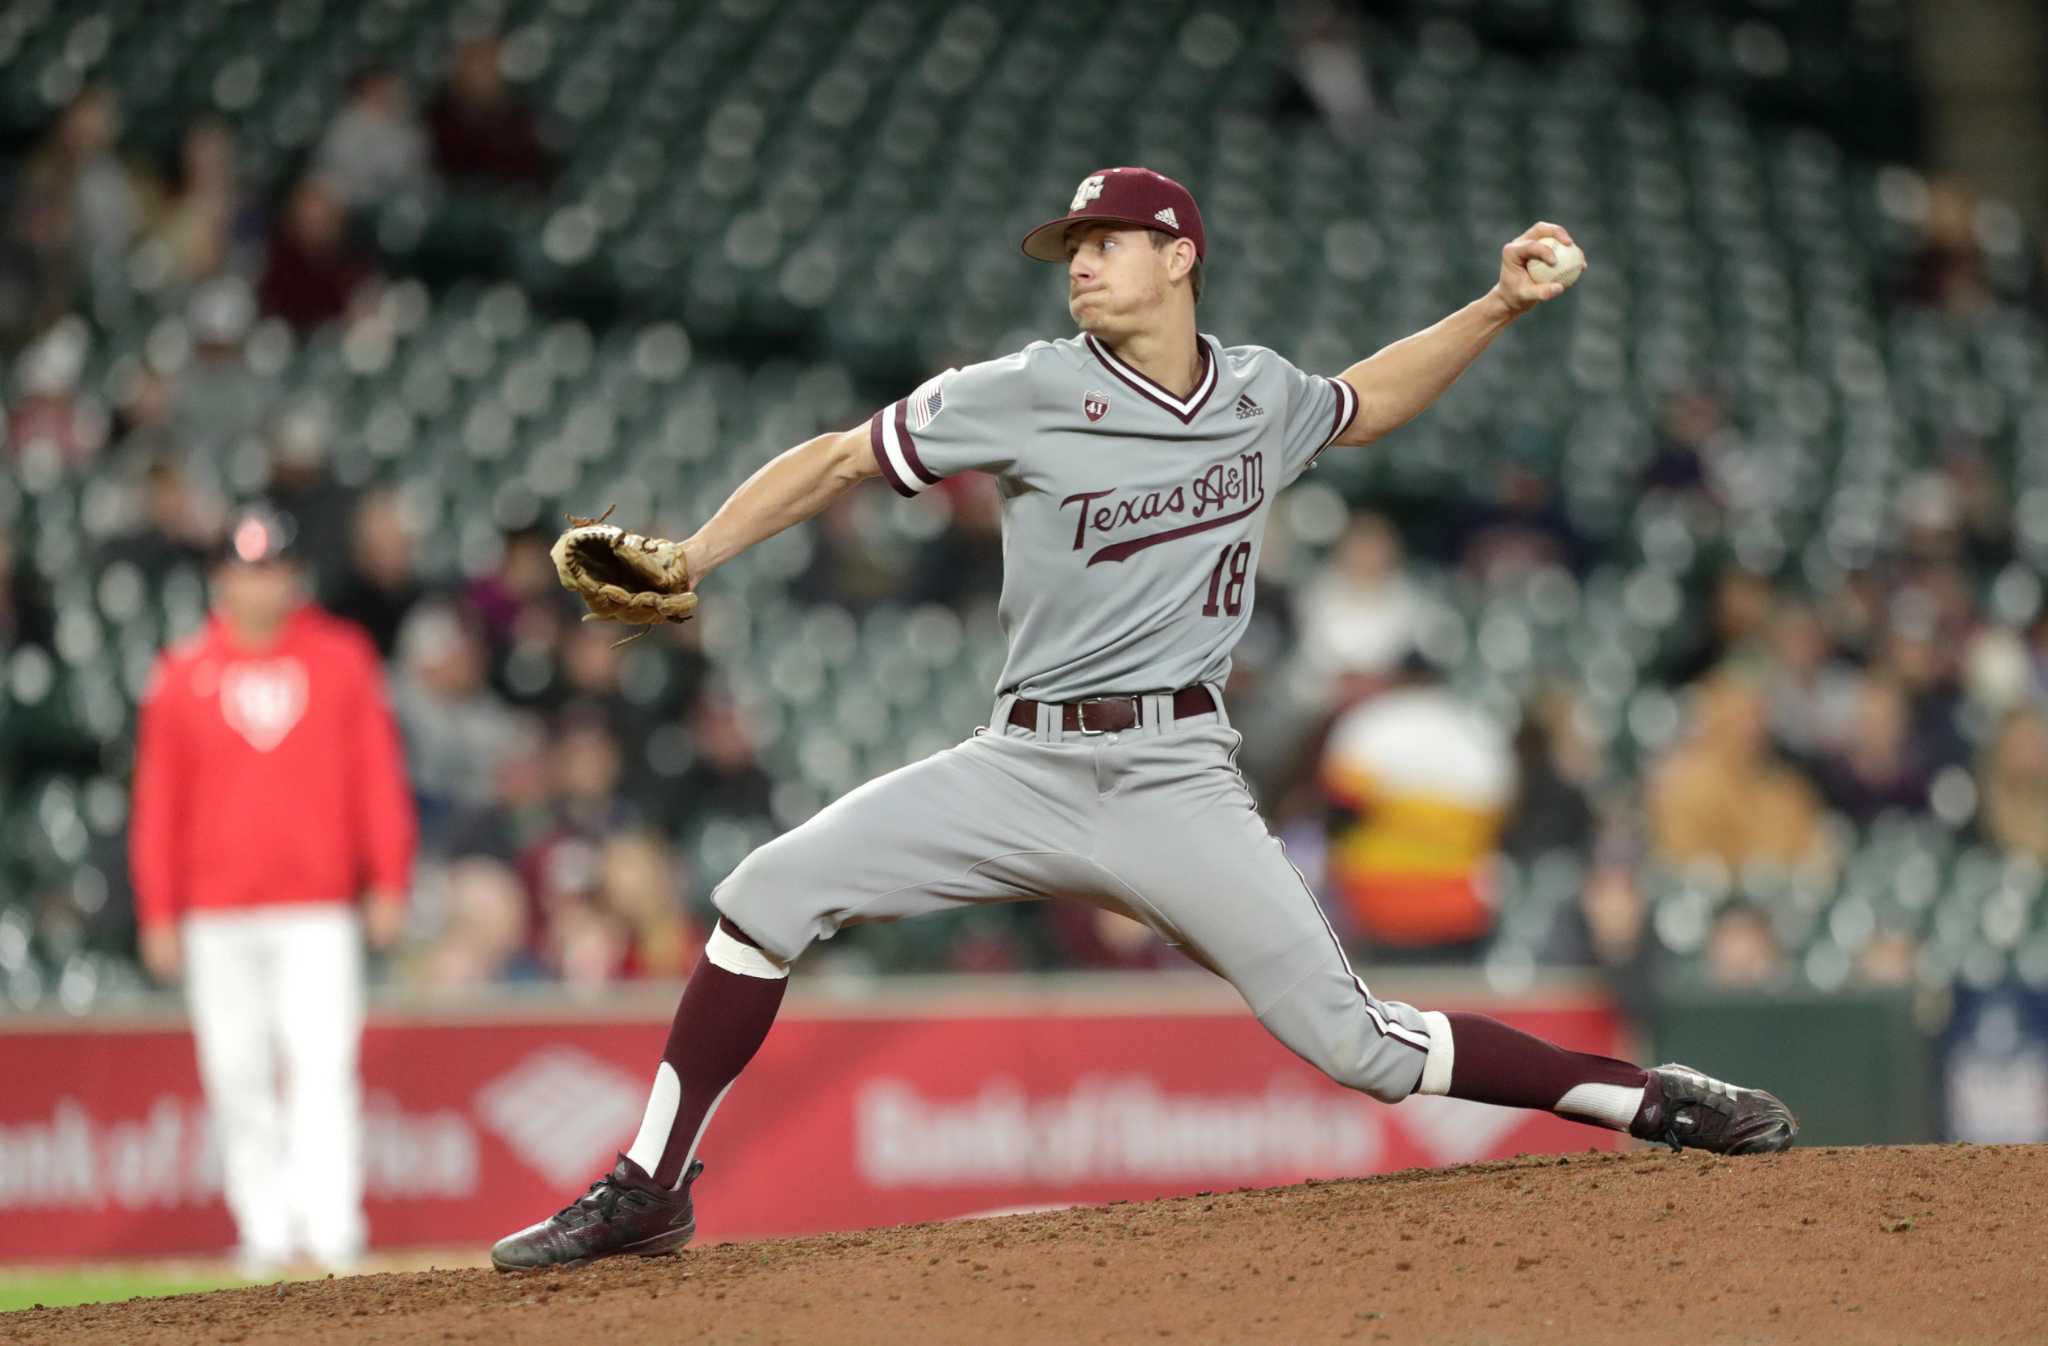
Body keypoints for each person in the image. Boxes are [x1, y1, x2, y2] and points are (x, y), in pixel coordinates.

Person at [489, 168, 1796, 1272]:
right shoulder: (1027, 386)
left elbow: (1368, 399)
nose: (1081, 266)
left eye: (1105, 243)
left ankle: (1649, 1096)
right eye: (1072, 248)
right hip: (1022, 761)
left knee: (1362, 1047)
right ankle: (653, 1182)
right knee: (764, 895)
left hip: (1176, 774)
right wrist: (700, 552)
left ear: (1180, 255)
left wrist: (1501, 303)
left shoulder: (1260, 394)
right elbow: (840, 455)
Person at [129, 506, 416, 1275]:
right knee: (236, 1073)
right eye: (247, 569)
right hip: (217, 912)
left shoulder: (342, 657)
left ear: (295, 576)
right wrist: (158, 910)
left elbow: (376, 777)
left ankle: (331, 1230)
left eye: (274, 568)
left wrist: (388, 876)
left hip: (318, 906)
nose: (261, 584)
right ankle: (264, 1231)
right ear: (221, 577)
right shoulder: (181, 673)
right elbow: (158, 804)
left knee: (324, 1067)